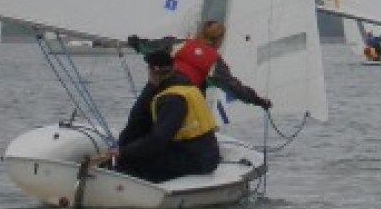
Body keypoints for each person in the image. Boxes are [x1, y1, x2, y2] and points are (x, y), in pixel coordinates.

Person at [104, 50, 220, 183]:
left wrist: (123, 152)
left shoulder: (172, 99)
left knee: (128, 162)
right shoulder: (186, 86)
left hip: (196, 160)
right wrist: (151, 86)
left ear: (153, 70)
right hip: (201, 153)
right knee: (134, 153)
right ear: (174, 67)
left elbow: (158, 139)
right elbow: (138, 121)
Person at [127, 21, 271, 111]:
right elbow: (235, 88)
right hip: (183, 106)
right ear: (219, 40)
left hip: (159, 97)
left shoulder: (178, 44)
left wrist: (136, 43)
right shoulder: (214, 63)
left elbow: (150, 47)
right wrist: (259, 101)